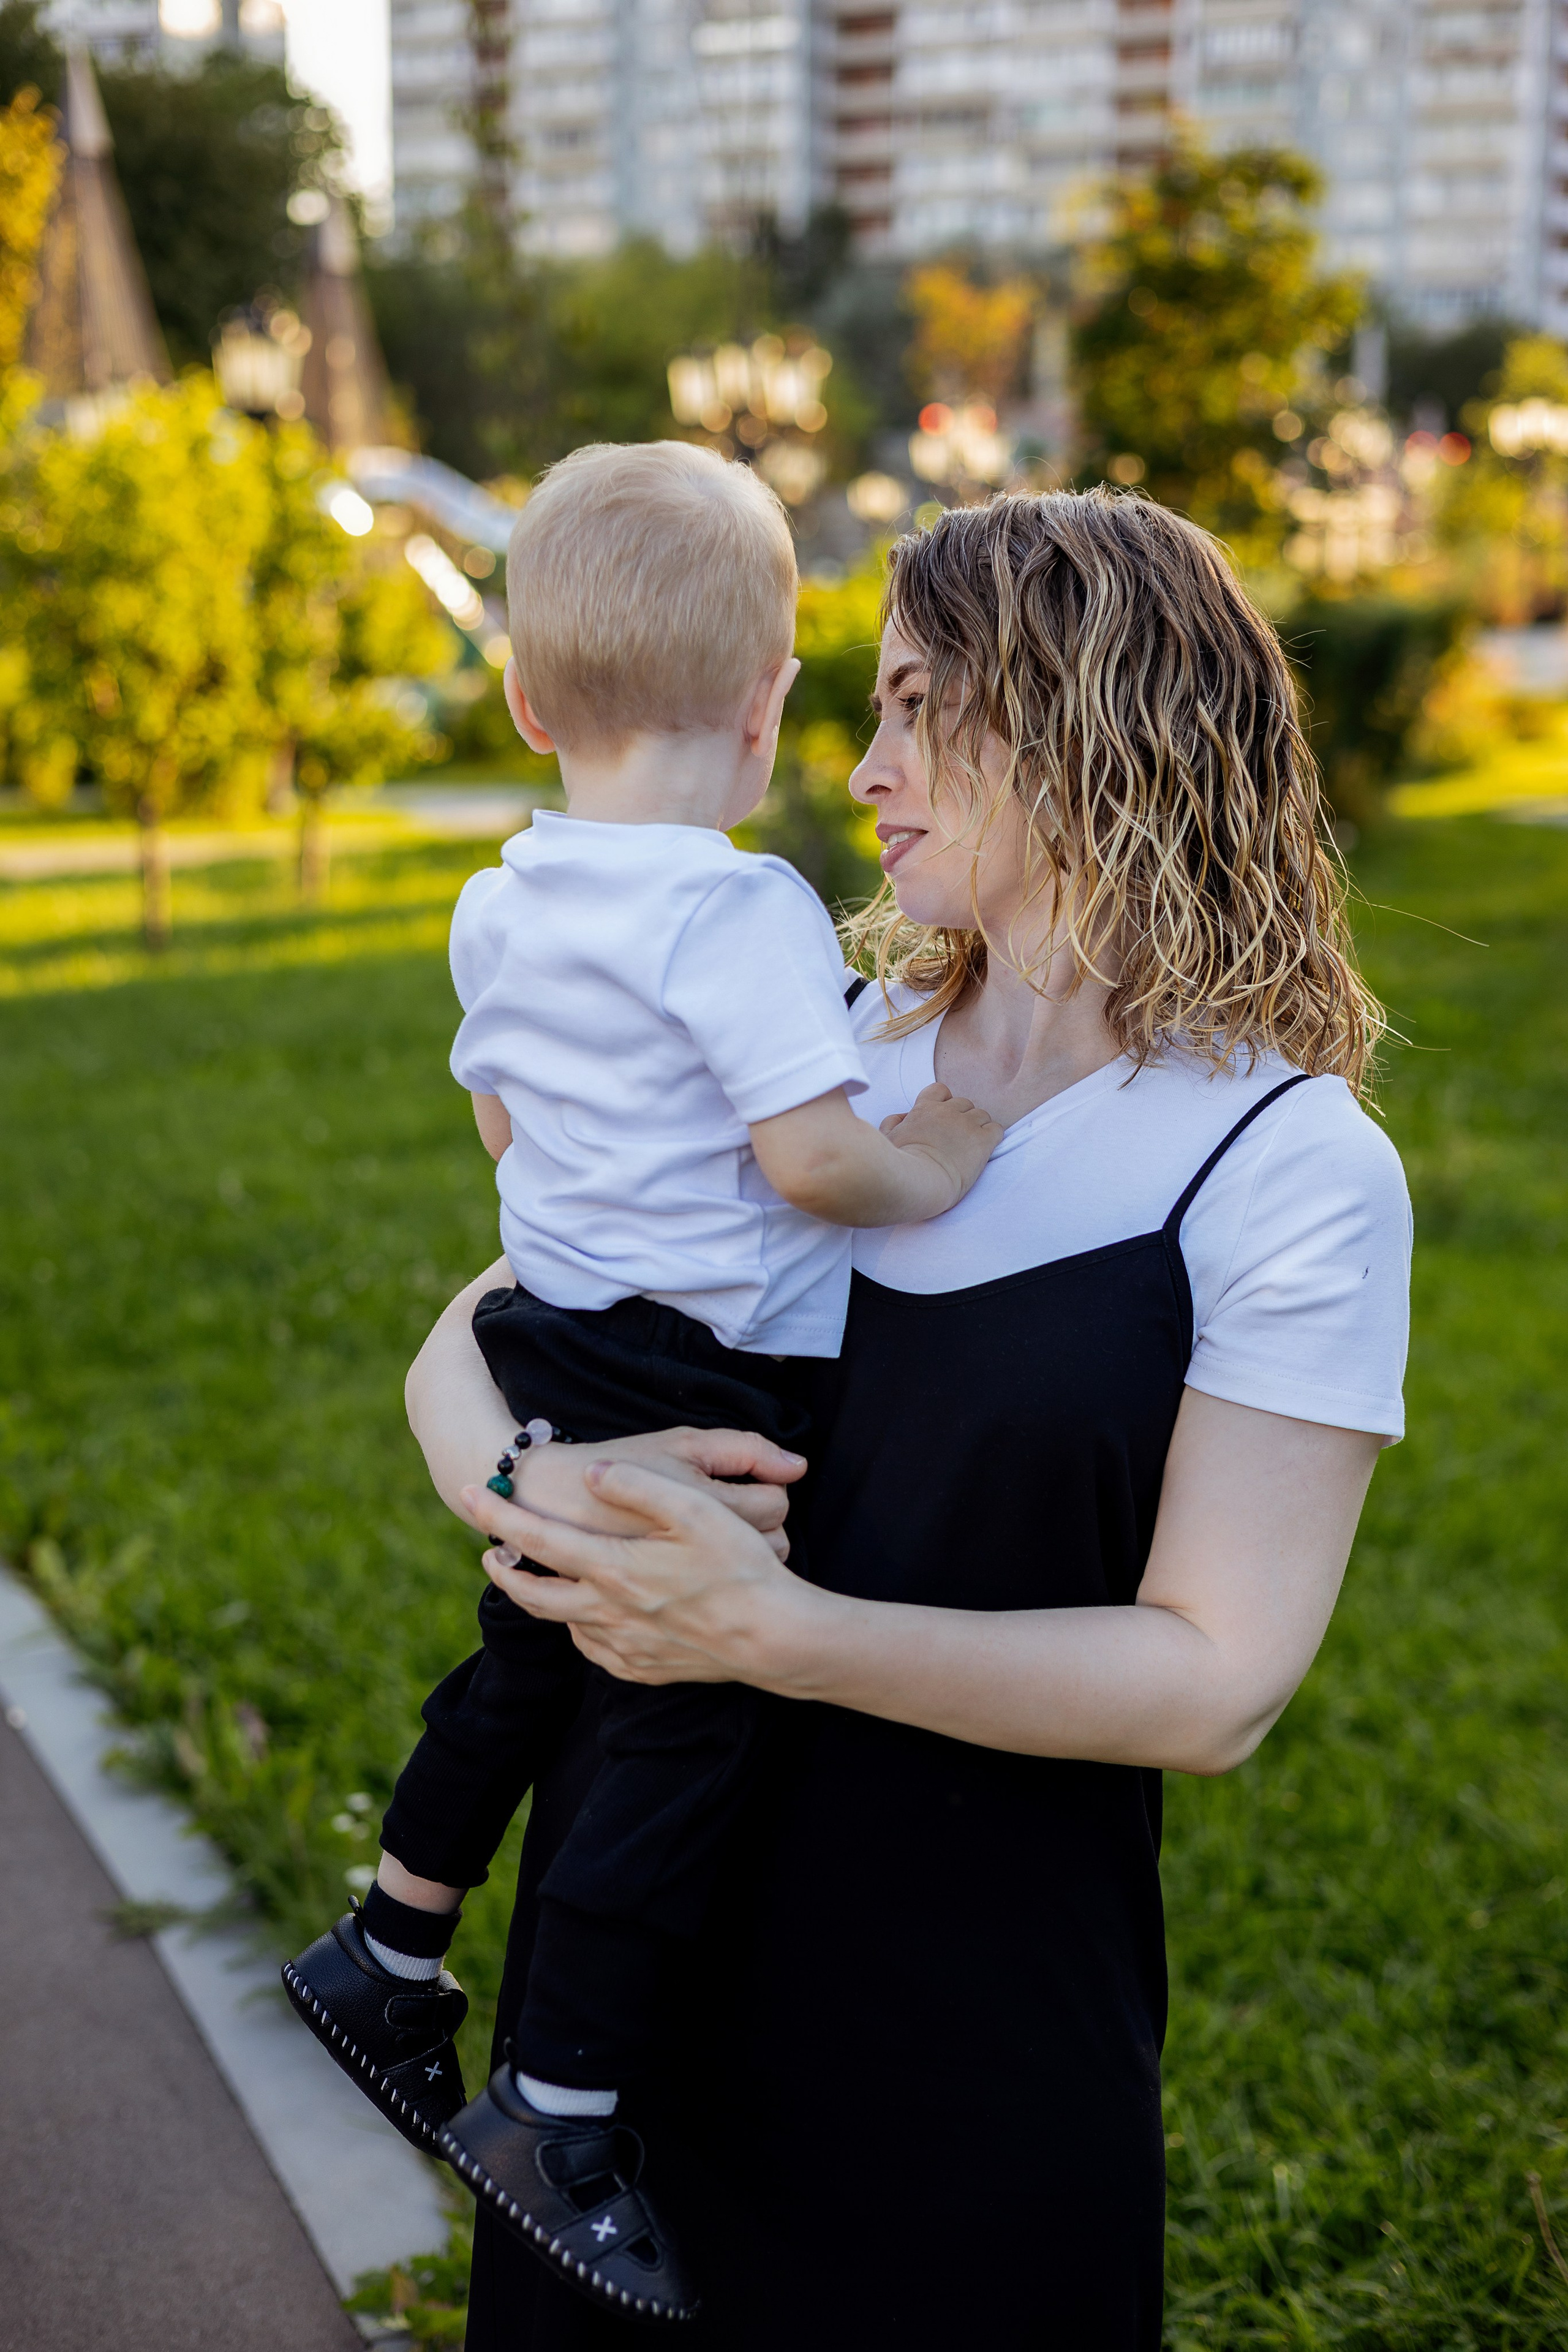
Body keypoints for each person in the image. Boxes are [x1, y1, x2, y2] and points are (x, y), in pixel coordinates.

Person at [404, 486, 1413, 2351]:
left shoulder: (1282, 1163)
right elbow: (471, 1334)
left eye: (914, 707)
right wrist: (535, 1479)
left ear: (1086, 716)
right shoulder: (827, 1059)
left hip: (966, 2025)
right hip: (613, 2024)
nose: (859, 769)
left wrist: (775, 1635)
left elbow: (1215, 1683)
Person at [281, 442, 1000, 2324]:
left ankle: (387, 1944)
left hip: (564, 1328)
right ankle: (559, 2112)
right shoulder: (737, 909)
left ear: (524, 700)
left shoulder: (500, 897)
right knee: (679, 1720)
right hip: (706, 1361)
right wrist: (944, 1150)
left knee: (524, 1649)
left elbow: (503, 1114)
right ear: (771, 708)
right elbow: (814, 1164)